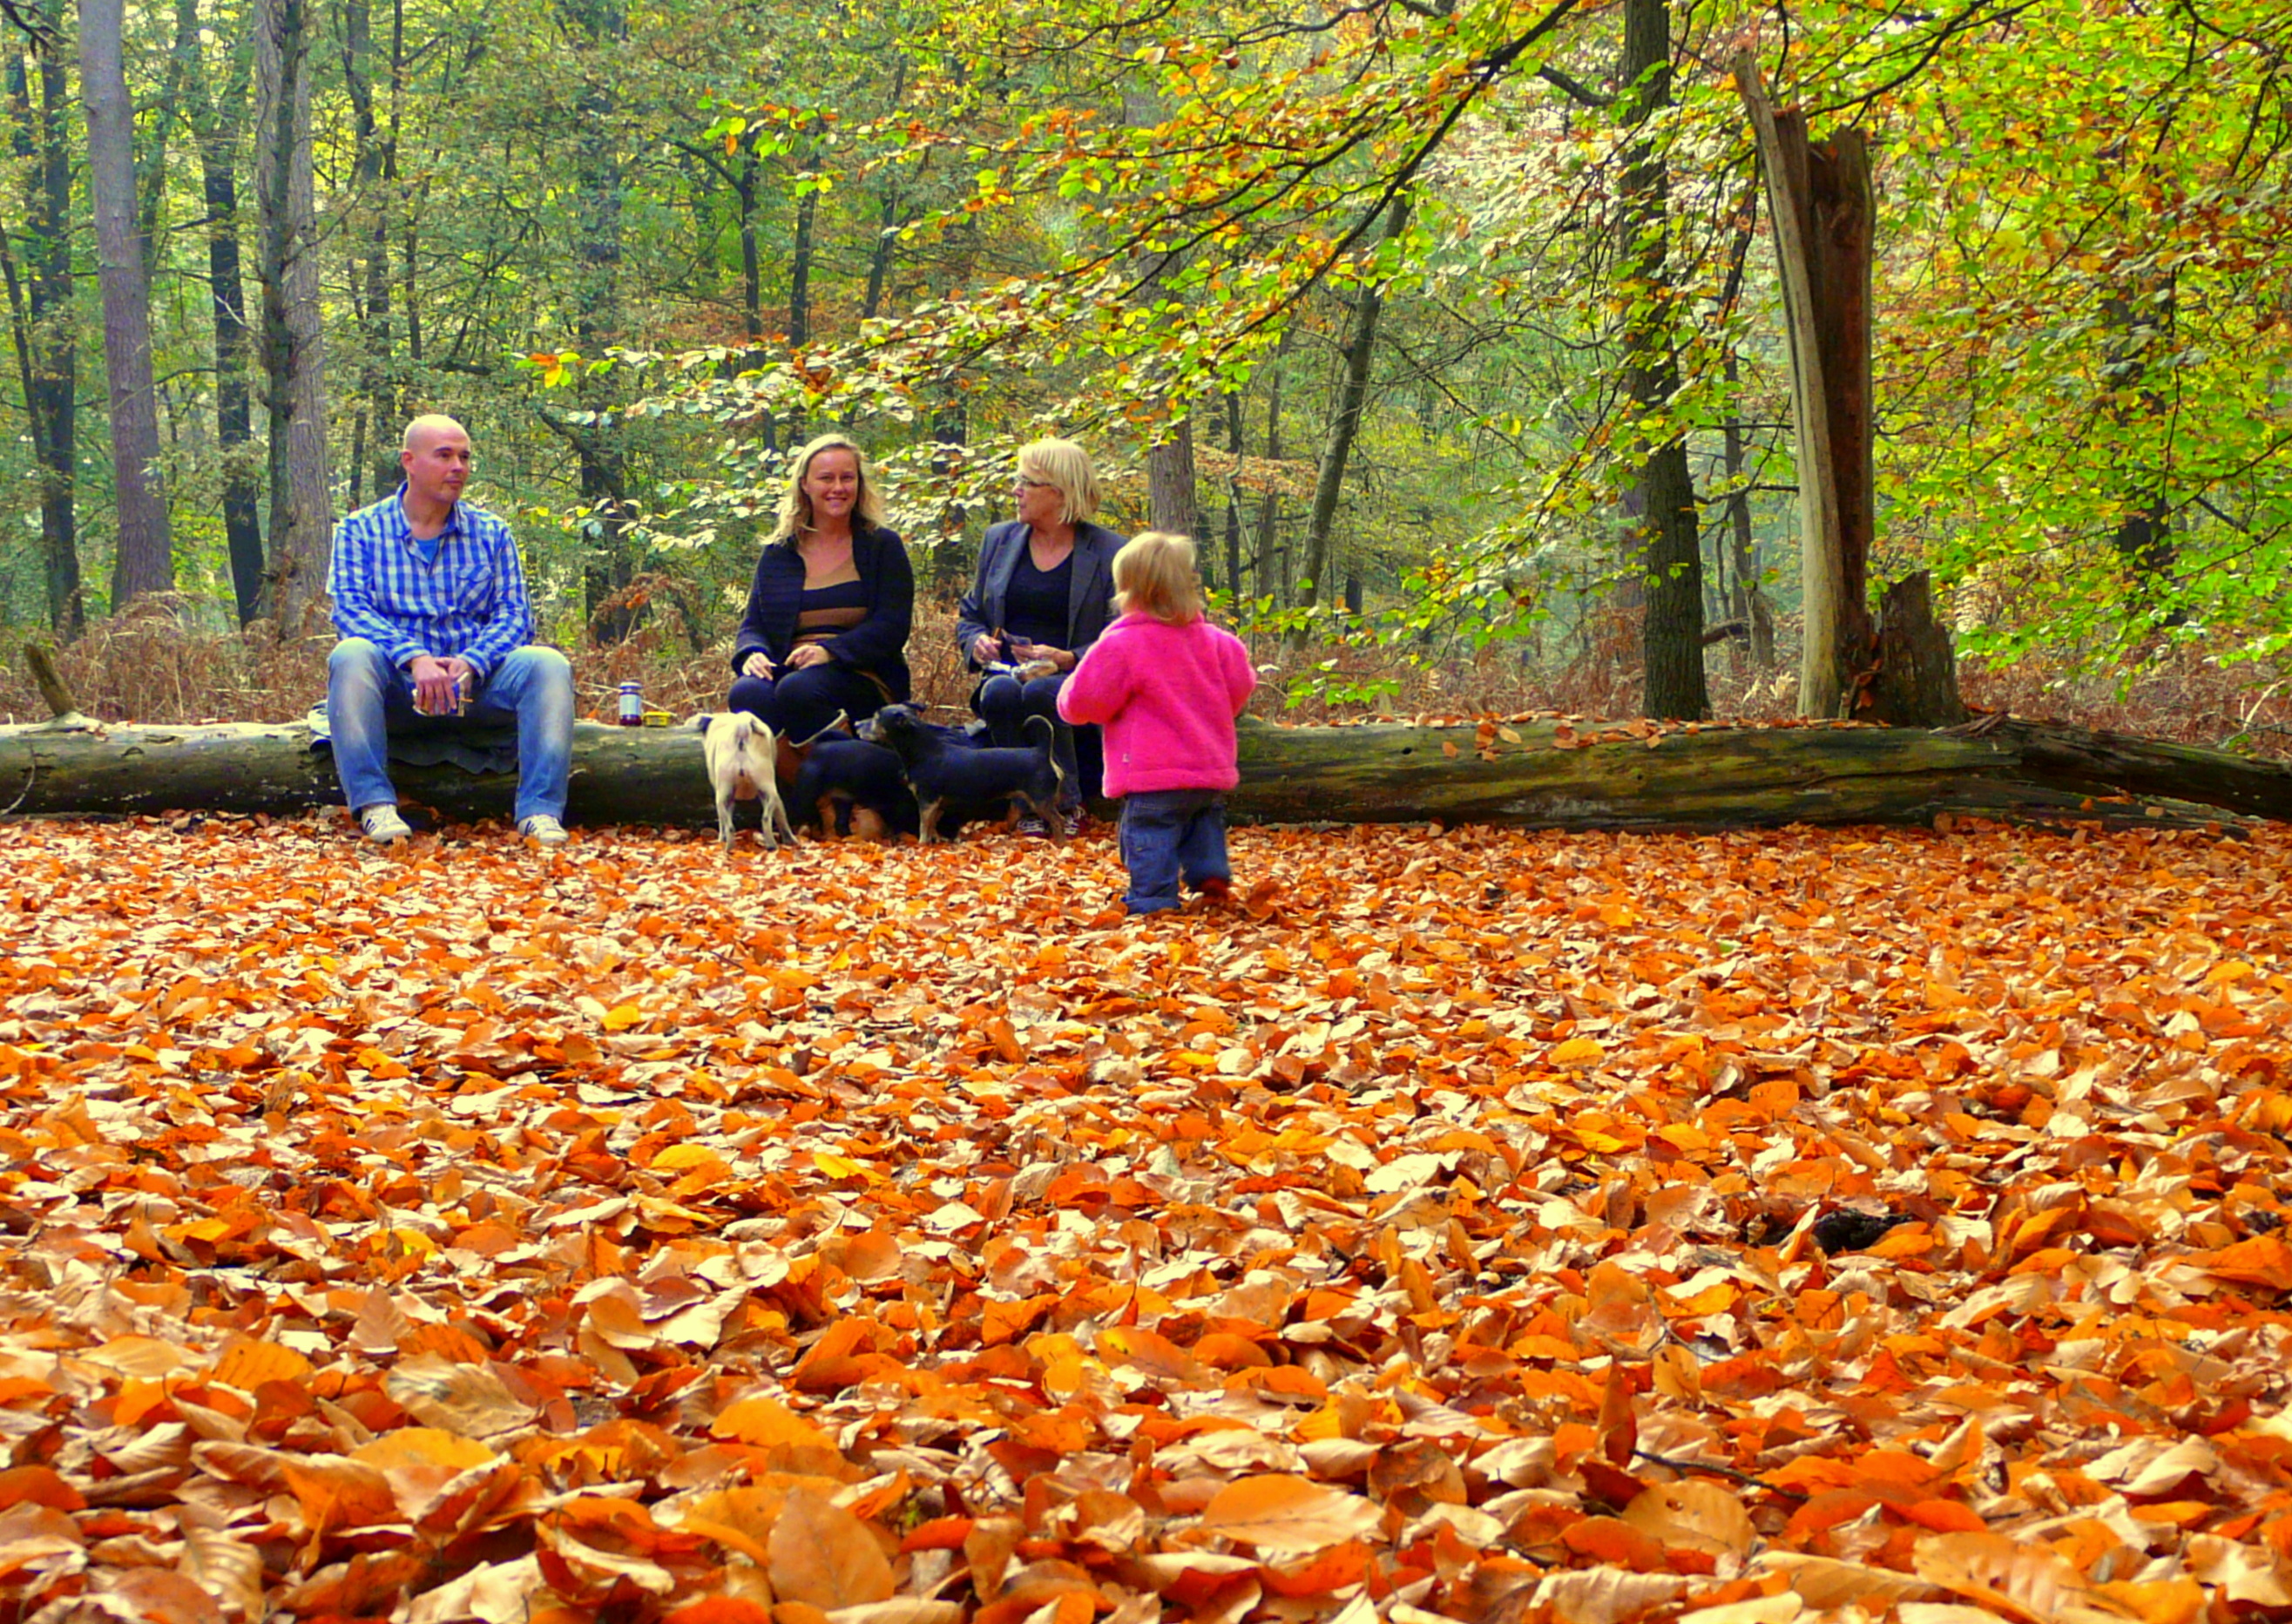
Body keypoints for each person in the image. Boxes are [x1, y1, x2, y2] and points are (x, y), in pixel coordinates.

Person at [327, 414, 576, 847]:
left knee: (548, 664)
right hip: (397, 687)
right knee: (349, 655)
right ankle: (375, 805)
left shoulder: (492, 532)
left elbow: (516, 616)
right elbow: (350, 610)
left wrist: (472, 662)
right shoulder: (360, 530)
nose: (457, 466)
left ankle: (540, 811)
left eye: (464, 456)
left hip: (476, 688)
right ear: (409, 461)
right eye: (444, 456)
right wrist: (413, 658)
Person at [1058, 531, 1255, 915]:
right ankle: (1209, 874)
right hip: (1207, 765)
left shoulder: (1122, 645)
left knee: (1149, 833)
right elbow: (1240, 689)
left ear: (1127, 591)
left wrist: (1069, 706)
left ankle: (1153, 898)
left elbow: (1083, 701)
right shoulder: (1219, 643)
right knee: (1201, 819)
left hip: (1151, 771)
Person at [953, 438, 1124, 829]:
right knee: (999, 691)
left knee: (1044, 690)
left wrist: (1071, 658)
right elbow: (971, 613)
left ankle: (1064, 804)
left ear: (1061, 491)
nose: (1016, 490)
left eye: (1027, 482)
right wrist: (975, 640)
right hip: (1006, 676)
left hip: (1076, 684)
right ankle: (1025, 805)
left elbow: (1123, 635)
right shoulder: (999, 540)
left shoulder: (1111, 552)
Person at [728, 434, 913, 764]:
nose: (838, 488)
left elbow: (893, 626)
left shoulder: (881, 546)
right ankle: (799, 793)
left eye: (847, 478)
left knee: (798, 690)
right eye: (826, 478)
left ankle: (851, 794)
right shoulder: (779, 553)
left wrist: (829, 652)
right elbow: (753, 624)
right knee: (747, 692)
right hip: (791, 669)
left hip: (862, 673)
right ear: (805, 485)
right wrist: (752, 653)